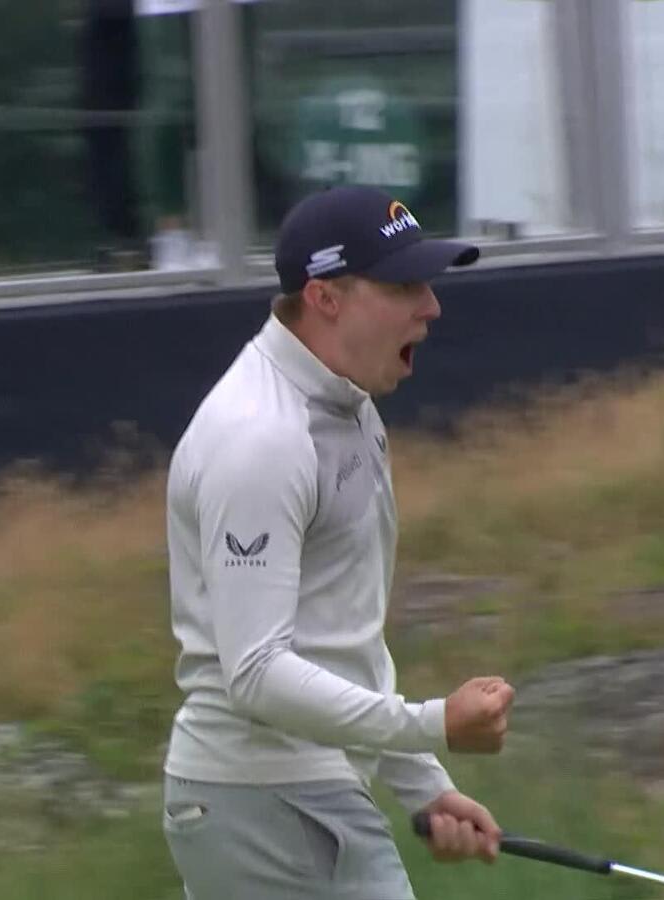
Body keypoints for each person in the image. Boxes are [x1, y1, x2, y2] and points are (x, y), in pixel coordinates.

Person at [161, 184, 514, 899]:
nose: (432, 306)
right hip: (264, 800)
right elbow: (255, 671)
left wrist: (421, 782)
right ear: (325, 298)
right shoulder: (260, 437)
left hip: (299, 790)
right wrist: (430, 726)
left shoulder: (350, 410)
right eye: (405, 285)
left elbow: (337, 630)